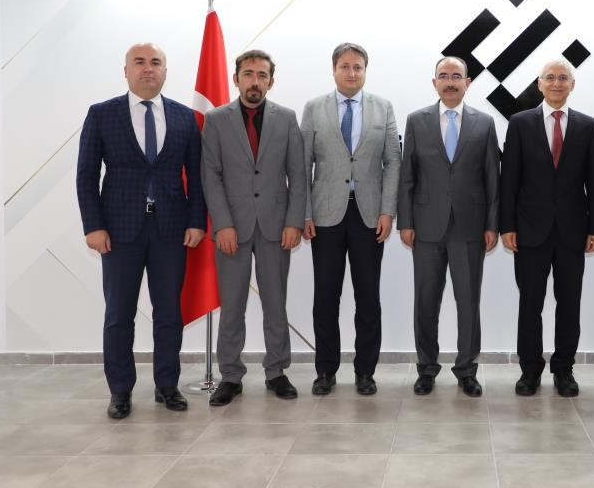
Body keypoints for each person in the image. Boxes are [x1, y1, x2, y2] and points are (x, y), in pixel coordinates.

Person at [76, 43, 206, 419]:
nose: (148, 69)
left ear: (165, 71)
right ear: (126, 70)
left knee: (169, 314)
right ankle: (120, 391)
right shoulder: (102, 114)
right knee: (119, 315)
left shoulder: (184, 117)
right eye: (139, 62)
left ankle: (167, 385)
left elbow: (197, 176)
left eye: (155, 63)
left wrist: (196, 220)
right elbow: (86, 175)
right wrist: (94, 226)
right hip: (119, 232)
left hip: (171, 230)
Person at [201, 49, 306, 406]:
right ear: (236, 79)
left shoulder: (287, 119)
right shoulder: (216, 120)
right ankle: (230, 375)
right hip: (232, 227)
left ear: (271, 82)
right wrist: (222, 224)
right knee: (232, 305)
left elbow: (298, 175)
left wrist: (293, 221)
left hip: (277, 226)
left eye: (262, 75)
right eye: (248, 74)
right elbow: (210, 176)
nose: (255, 81)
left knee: (275, 303)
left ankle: (276, 371)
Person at [301, 43, 401, 396]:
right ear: (334, 70)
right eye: (345, 66)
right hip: (325, 216)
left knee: (368, 298)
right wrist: (305, 212)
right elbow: (303, 164)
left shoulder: (382, 108)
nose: (352, 72)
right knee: (326, 297)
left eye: (358, 67)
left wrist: (388, 211)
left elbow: (393, 162)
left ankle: (365, 372)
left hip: (369, 216)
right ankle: (325, 370)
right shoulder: (314, 108)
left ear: (365, 71)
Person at [397, 56, 500, 397]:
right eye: (444, 76)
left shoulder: (485, 123)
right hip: (426, 227)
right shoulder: (417, 121)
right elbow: (408, 175)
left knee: (468, 302)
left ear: (467, 83)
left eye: (457, 76)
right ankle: (426, 369)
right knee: (426, 302)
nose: (450, 81)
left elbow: (492, 177)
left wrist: (492, 224)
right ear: (435, 82)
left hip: (470, 227)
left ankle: (467, 370)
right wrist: (405, 221)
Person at [500, 59, 594, 397]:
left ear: (572, 85)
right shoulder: (519, 123)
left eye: (563, 78)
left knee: (569, 303)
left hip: (573, 231)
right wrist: (507, 225)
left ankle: (564, 369)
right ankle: (530, 370)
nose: (556, 83)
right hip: (529, 230)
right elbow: (509, 179)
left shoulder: (588, 126)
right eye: (550, 77)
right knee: (530, 304)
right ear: (539, 84)